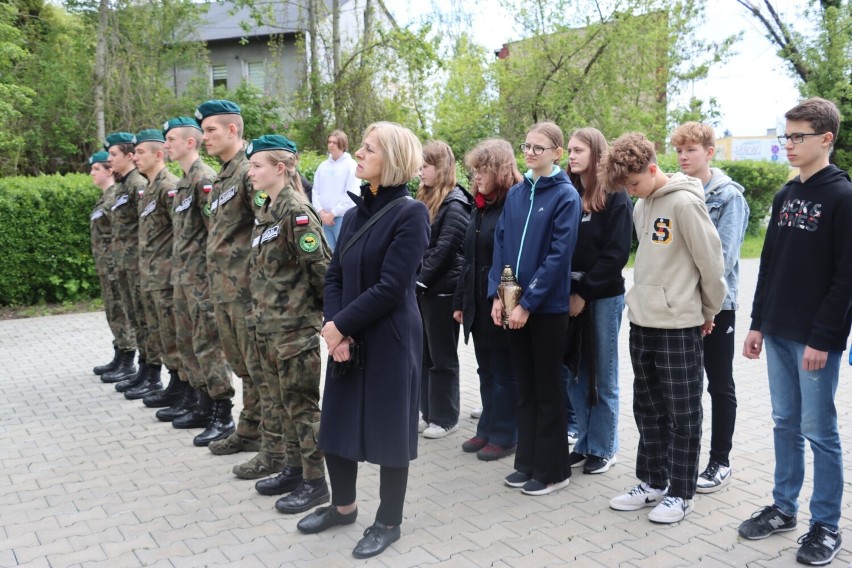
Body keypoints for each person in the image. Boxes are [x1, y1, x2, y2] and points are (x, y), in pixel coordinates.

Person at [297, 122, 430, 560]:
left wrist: (340, 327)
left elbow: (392, 286)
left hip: (391, 339)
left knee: (390, 432)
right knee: (337, 425)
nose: (359, 152)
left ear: (390, 160)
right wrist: (334, 326)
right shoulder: (355, 212)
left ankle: (389, 521)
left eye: (368, 148)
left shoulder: (411, 213)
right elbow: (334, 274)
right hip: (347, 337)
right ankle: (343, 506)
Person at [737, 97, 852, 566]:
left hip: (814, 339)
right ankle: (784, 508)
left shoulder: (843, 197)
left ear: (825, 139)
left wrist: (823, 339)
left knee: (819, 430)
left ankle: (825, 523)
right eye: (786, 136)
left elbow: (847, 278)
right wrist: (757, 323)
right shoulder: (785, 196)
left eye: (798, 136)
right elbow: (769, 267)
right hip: (778, 330)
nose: (788, 144)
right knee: (785, 423)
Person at [602, 132, 726, 524]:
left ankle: (681, 491)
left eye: (635, 183)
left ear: (653, 169)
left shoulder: (686, 203)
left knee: (683, 412)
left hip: (679, 324)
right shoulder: (641, 204)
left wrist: (708, 310)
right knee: (648, 409)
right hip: (642, 322)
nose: (632, 191)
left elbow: (712, 263)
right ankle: (653, 482)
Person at [490, 121, 580, 496]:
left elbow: (559, 256)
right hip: (514, 306)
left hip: (546, 309)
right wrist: (500, 296)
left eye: (538, 147)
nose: (529, 152)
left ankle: (553, 470)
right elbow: (502, 247)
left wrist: (527, 302)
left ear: (557, 153)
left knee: (547, 389)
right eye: (526, 145)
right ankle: (526, 461)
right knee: (525, 386)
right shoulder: (516, 194)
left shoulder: (565, 197)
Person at [244, 135, 332, 515]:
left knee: (302, 407)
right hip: (269, 325)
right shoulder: (267, 209)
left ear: (280, 168)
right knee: (281, 404)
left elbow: (322, 270)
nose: (251, 172)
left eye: (257, 166)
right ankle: (294, 470)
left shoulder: (296, 212)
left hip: (294, 328)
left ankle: (316, 483)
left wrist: (323, 319)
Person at [180, 100, 264, 458]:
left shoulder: (250, 173)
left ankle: (263, 436)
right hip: (224, 291)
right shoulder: (224, 176)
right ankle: (249, 429)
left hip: (246, 291)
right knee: (243, 366)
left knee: (256, 367)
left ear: (233, 130)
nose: (204, 138)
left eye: (211, 130)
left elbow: (270, 227)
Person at [671, 122, 749, 492]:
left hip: (718, 305)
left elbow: (726, 257)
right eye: (680, 150)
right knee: (684, 385)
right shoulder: (678, 191)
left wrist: (710, 307)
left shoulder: (728, 197)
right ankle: (683, 457)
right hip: (682, 303)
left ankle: (720, 460)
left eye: (691, 150)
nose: (684, 157)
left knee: (719, 384)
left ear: (709, 152)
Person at [153, 118, 237, 444]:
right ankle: (203, 403)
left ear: (191, 142)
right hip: (184, 278)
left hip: (202, 279)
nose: (166, 145)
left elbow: (214, 232)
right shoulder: (185, 182)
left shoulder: (204, 180)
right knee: (190, 344)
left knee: (209, 346)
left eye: (172, 139)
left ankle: (222, 411)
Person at [563, 128, 633, 475]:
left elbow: (616, 253)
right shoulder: (568, 189)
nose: (571, 156)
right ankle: (585, 443)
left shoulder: (615, 193)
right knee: (575, 374)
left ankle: (604, 448)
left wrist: (584, 293)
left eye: (578, 150)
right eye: (570, 151)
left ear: (595, 152)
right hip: (568, 296)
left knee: (602, 376)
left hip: (602, 297)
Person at [453, 139, 521, 461]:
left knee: (505, 369)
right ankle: (488, 428)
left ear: (500, 169)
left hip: (503, 296)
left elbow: (514, 258)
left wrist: (503, 299)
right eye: (475, 170)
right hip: (477, 298)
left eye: (483, 169)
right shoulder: (480, 205)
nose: (477, 176)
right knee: (485, 369)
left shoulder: (514, 202)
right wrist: (459, 301)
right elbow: (466, 258)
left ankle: (506, 435)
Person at [117, 128, 180, 402]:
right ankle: (166, 382)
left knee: (172, 335)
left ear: (159, 154)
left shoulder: (168, 187)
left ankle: (181, 388)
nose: (136, 158)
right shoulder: (150, 189)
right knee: (156, 332)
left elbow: (181, 233)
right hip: (150, 275)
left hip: (167, 277)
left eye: (140, 152)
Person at [417, 140, 471, 439]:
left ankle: (446, 417)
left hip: (443, 290)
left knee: (442, 357)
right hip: (425, 290)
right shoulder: (426, 198)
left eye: (424, 166)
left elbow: (444, 249)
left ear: (441, 168)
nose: (419, 172)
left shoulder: (456, 202)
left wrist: (418, 280)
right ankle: (428, 413)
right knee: (424, 355)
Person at [100, 132, 148, 384]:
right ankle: (141, 368)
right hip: (124, 264)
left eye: (113, 154)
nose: (109, 160)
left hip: (137, 265)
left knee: (142, 319)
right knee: (133, 317)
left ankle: (148, 372)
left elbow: (146, 227)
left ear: (129, 156)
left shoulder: (137, 185)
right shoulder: (122, 186)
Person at [89, 151, 136, 377]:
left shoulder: (114, 197)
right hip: (107, 266)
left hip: (116, 266)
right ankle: (120, 353)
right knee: (113, 311)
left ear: (109, 171)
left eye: (96, 168)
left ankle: (128, 359)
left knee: (121, 311)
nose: (92, 173)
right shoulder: (106, 198)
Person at [311, 129, 359, 250]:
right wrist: (322, 213)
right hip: (324, 220)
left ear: (342, 144)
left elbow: (351, 194)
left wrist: (333, 214)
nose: (331, 145)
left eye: (335, 142)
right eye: (329, 142)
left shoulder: (351, 165)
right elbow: (315, 191)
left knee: (344, 254)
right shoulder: (323, 166)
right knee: (328, 256)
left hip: (342, 219)